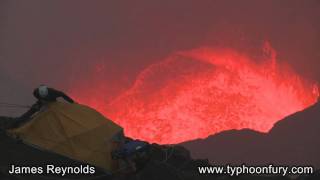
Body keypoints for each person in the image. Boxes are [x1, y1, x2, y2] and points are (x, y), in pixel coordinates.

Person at [10, 85, 75, 128]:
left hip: (52, 102)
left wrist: (72, 102)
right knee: (31, 111)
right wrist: (41, 101)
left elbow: (63, 95)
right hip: (41, 101)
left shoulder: (54, 92)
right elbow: (37, 97)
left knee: (52, 113)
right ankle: (14, 124)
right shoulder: (36, 92)